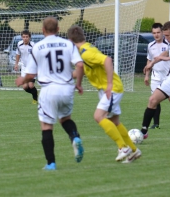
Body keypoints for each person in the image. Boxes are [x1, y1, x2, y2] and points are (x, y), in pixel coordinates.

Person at [15, 17, 84, 170]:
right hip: (66, 88)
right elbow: (80, 65)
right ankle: (74, 136)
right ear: (58, 29)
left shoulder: (38, 47)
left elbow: (31, 74)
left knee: (47, 126)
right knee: (65, 118)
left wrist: (22, 79)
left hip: (48, 90)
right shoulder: (68, 44)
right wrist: (78, 84)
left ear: (43, 30)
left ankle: (51, 163)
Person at [68, 25, 141, 164]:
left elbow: (107, 60)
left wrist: (109, 84)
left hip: (111, 89)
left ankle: (122, 147)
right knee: (115, 122)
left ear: (71, 41)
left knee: (98, 116)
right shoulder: (85, 50)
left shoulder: (86, 52)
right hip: (108, 89)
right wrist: (77, 82)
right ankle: (134, 150)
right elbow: (82, 68)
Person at [144, 23, 170, 129]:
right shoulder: (150, 45)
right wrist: (147, 75)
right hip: (155, 76)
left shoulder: (169, 44)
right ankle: (156, 124)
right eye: (154, 33)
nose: (156, 35)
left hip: (169, 76)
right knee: (155, 99)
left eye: (158, 32)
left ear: (162, 32)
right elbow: (149, 60)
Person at [14, 30, 38, 104]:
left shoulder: (33, 45)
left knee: (31, 85)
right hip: (24, 67)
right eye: (23, 37)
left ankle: (35, 99)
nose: (25, 38)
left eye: (27, 37)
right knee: (25, 87)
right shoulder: (19, 44)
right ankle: (35, 94)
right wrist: (16, 64)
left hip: (32, 67)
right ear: (21, 37)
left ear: (29, 37)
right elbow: (18, 54)